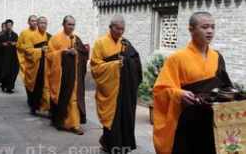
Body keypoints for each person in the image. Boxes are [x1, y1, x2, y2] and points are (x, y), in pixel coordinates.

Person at [153, 12, 234, 154]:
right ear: (191, 29)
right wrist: (178, 94)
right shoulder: (177, 58)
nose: (210, 31)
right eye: (205, 27)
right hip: (187, 119)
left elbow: (225, 86)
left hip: (211, 119)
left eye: (212, 27)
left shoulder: (217, 57)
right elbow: (160, 90)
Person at [90, 15, 142, 153]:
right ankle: (110, 145)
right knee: (112, 118)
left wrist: (127, 63)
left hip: (125, 88)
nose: (120, 32)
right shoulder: (100, 43)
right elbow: (95, 68)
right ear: (110, 27)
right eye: (117, 28)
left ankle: (123, 144)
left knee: (124, 116)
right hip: (110, 88)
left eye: (122, 29)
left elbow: (136, 61)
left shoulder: (125, 43)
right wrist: (115, 65)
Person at [47, 15, 89, 135]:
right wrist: (63, 52)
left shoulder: (76, 39)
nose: (71, 27)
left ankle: (74, 124)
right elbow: (49, 55)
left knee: (74, 99)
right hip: (61, 77)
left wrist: (81, 52)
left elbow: (83, 54)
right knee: (65, 98)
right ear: (63, 24)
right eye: (69, 24)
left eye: (73, 25)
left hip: (75, 75)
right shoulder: (55, 39)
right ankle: (61, 122)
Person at [23, 16, 52, 115]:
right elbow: (27, 51)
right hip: (36, 67)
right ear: (37, 24)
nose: (43, 25)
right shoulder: (30, 36)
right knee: (36, 88)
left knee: (46, 88)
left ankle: (47, 108)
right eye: (41, 23)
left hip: (47, 66)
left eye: (45, 23)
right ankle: (34, 107)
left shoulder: (49, 36)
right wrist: (40, 50)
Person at [0, 19, 19, 93]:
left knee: (12, 72)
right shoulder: (2, 36)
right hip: (5, 57)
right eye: (7, 25)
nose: (9, 26)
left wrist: (15, 44)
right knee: (5, 72)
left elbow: (18, 44)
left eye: (10, 25)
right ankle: (4, 86)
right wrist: (3, 44)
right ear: (6, 26)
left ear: (12, 25)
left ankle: (10, 87)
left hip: (13, 57)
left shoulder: (15, 35)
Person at [17, 15, 38, 82]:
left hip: (37, 60)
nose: (34, 22)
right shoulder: (24, 33)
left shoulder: (40, 33)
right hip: (26, 60)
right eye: (32, 21)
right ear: (28, 22)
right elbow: (18, 45)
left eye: (35, 21)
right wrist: (27, 47)